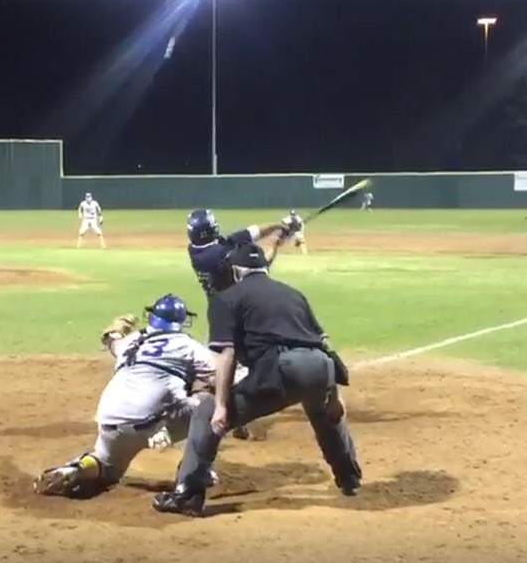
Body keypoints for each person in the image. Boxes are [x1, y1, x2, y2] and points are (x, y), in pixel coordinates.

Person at [152, 242, 361, 516]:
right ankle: (349, 479)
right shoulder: (293, 293)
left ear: (237, 271)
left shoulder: (226, 298)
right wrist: (333, 396)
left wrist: (222, 406)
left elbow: (226, 355)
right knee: (325, 413)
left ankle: (187, 495)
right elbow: (322, 344)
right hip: (321, 368)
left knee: (205, 412)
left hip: (283, 368)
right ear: (264, 268)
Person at [34, 294, 219, 499]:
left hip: (110, 421)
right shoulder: (188, 346)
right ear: (182, 321)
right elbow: (224, 376)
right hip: (153, 425)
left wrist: (113, 333)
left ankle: (75, 469)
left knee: (106, 466)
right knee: (210, 405)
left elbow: (112, 340)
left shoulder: (131, 341)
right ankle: (197, 472)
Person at [185, 209, 294, 440]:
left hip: (219, 312)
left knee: (221, 364)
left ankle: (220, 409)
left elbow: (250, 233)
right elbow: (259, 266)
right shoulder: (216, 256)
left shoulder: (200, 249)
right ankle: (230, 415)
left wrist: (279, 225)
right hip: (238, 313)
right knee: (244, 369)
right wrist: (276, 241)